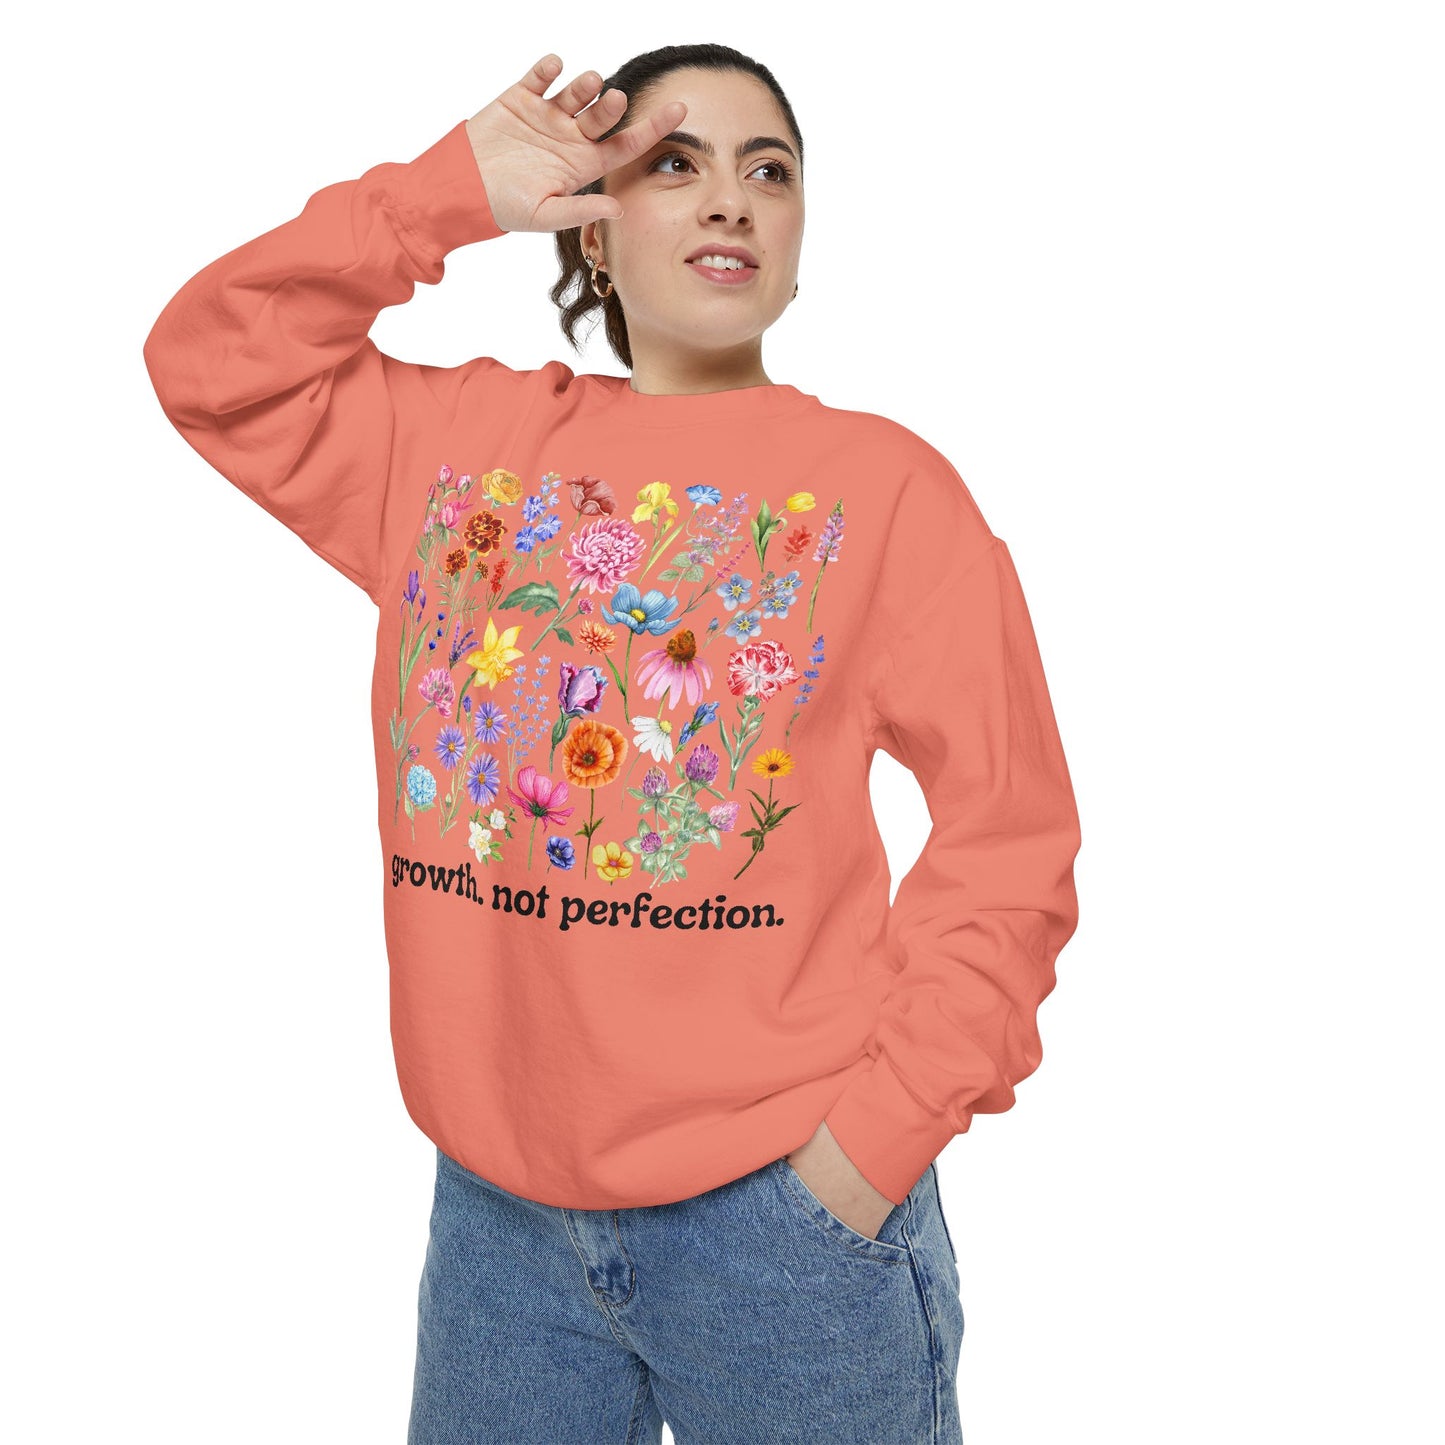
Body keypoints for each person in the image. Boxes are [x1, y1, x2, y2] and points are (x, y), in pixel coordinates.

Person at [143, 44, 1081, 1445]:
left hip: (785, 1224)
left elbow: (1010, 837)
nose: (730, 200)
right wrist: (444, 194)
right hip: (498, 1228)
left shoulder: (887, 491)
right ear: (590, 223)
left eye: (770, 171)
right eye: (673, 164)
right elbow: (212, 362)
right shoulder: (456, 448)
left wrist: (870, 1148)